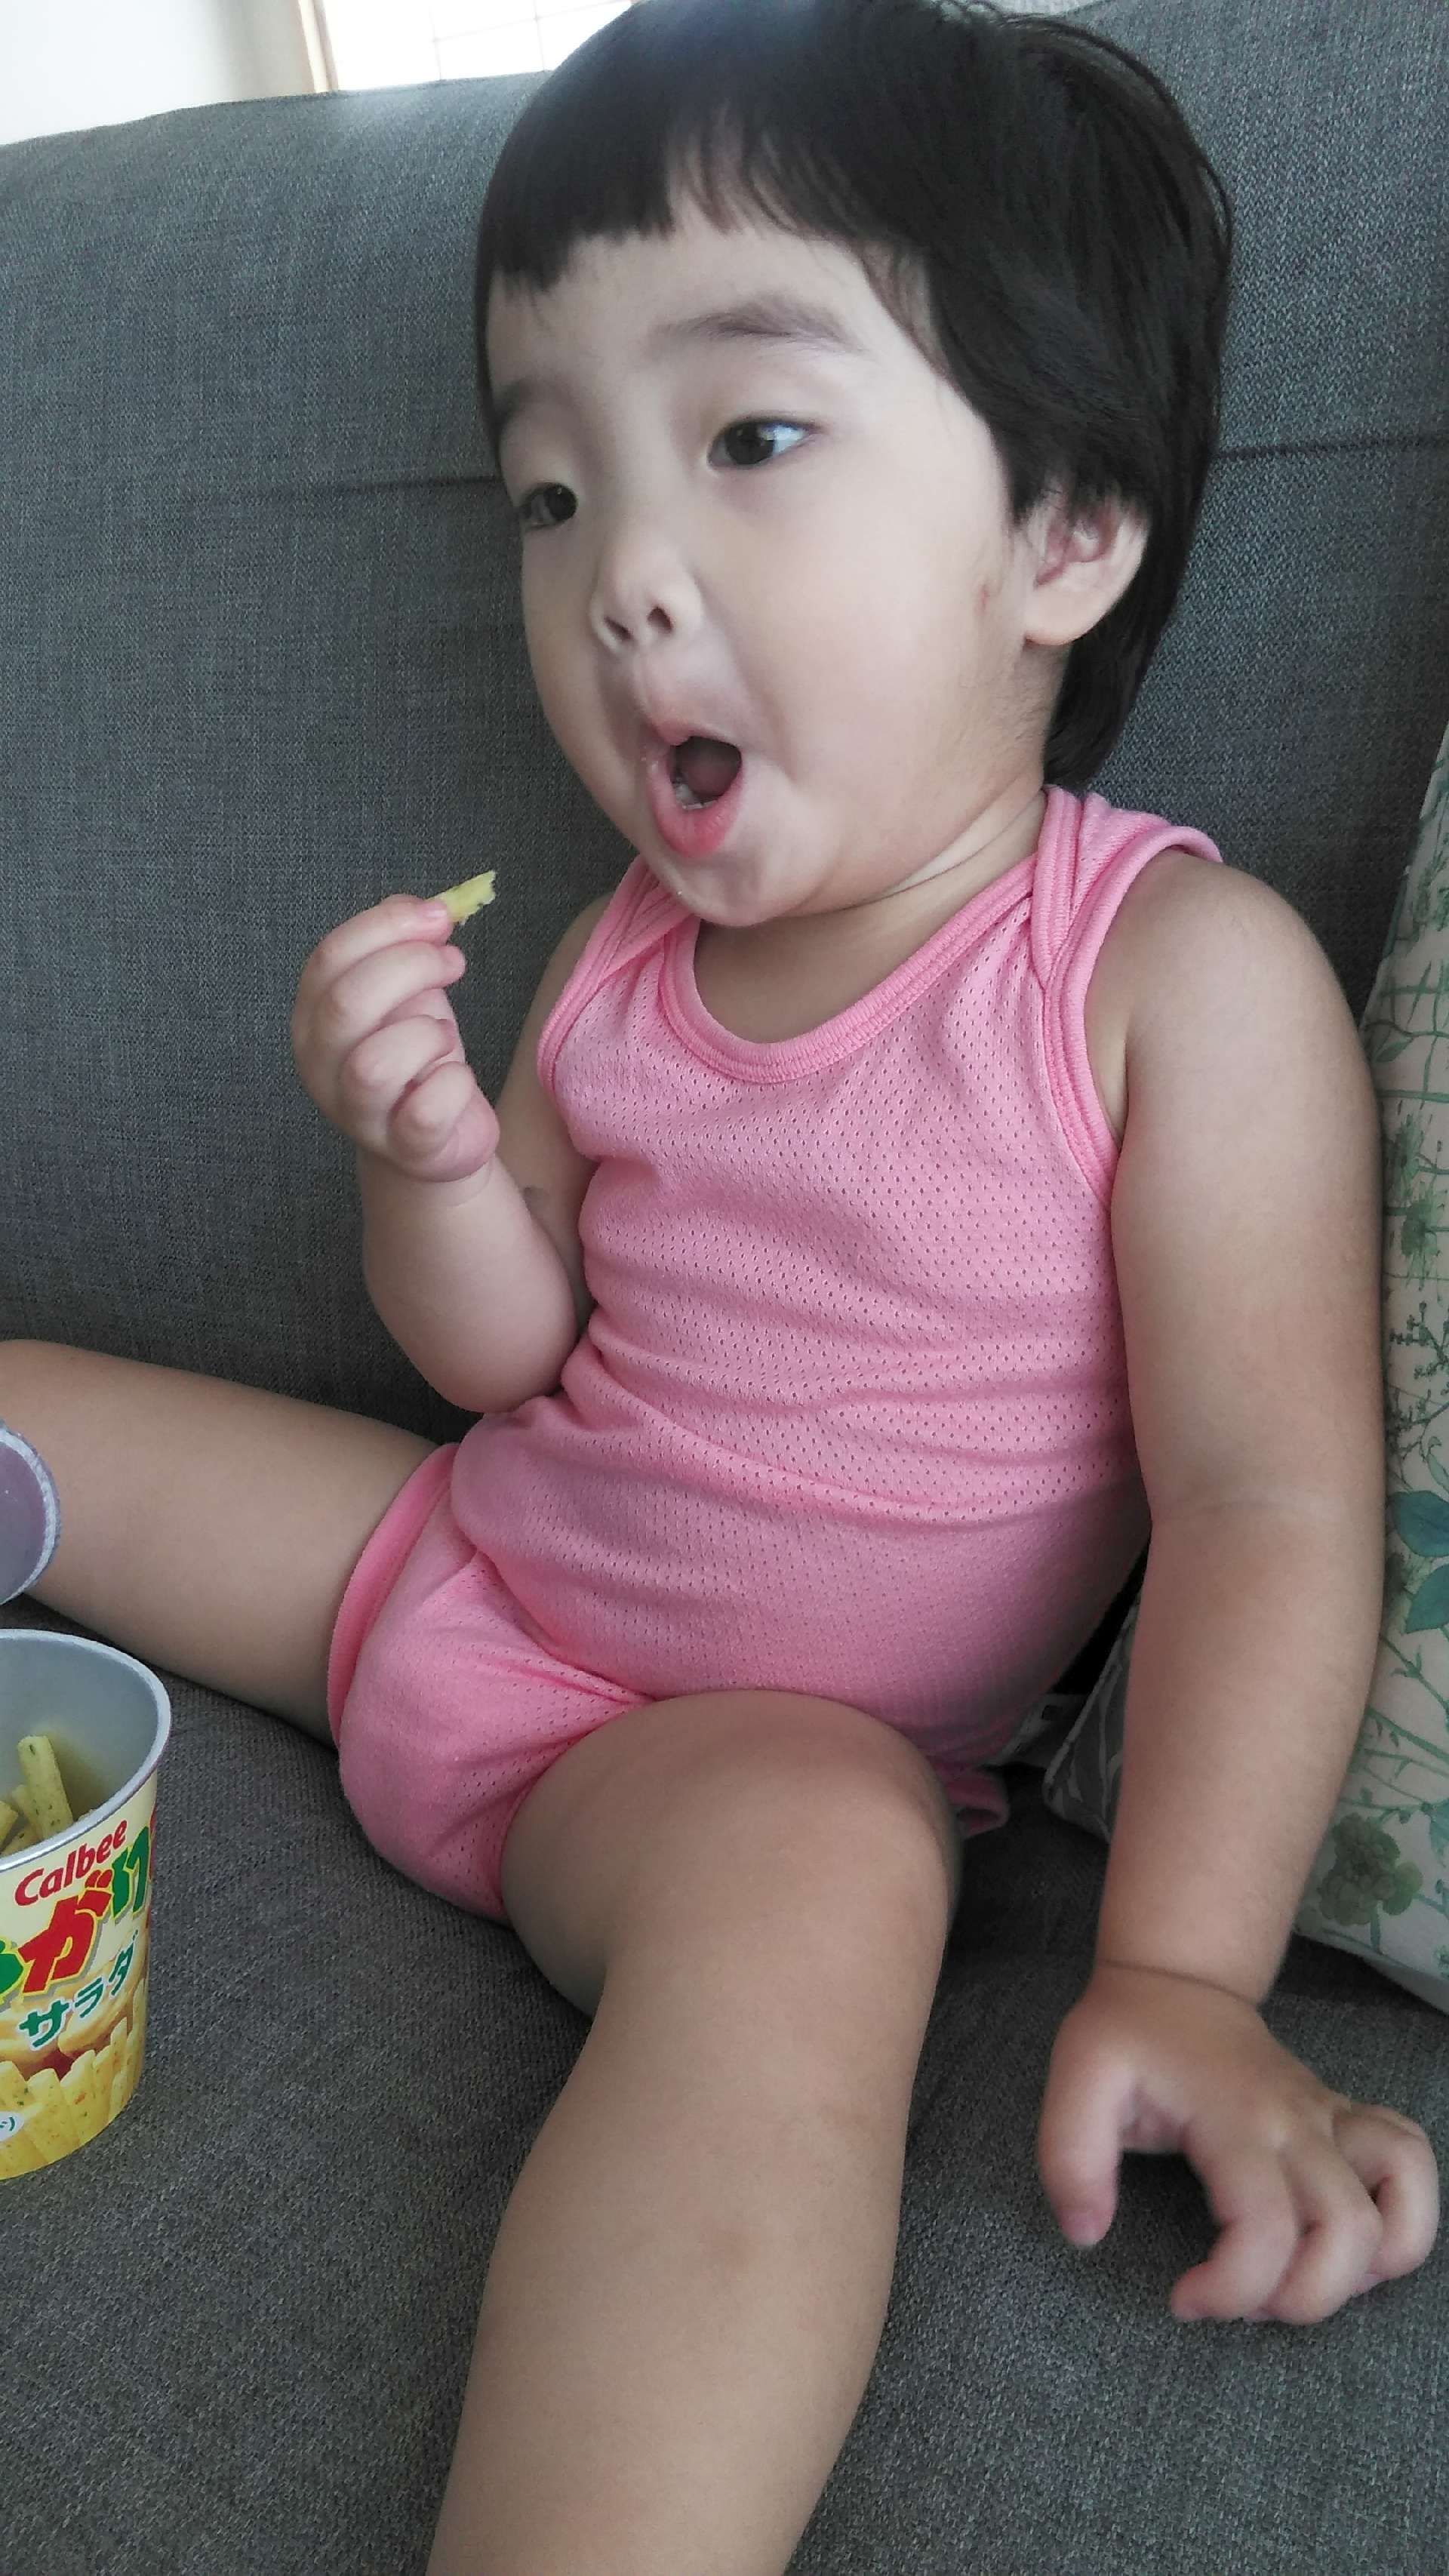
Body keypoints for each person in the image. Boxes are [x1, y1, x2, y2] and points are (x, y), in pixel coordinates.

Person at [4, 0, 1439, 2566]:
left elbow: (1268, 1500)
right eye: (551, 493)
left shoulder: (1170, 982)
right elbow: (508, 1355)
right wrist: (428, 1160)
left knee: (826, 1878)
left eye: (750, 439)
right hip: (447, 1569)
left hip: (721, 1773)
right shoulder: (614, 960)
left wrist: (1182, 1970)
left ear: (1063, 535)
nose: (620, 576)